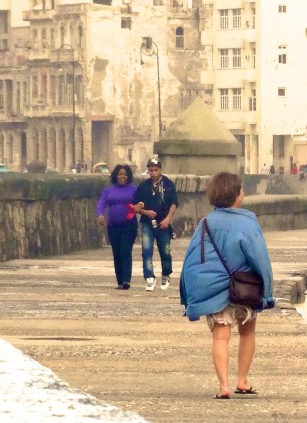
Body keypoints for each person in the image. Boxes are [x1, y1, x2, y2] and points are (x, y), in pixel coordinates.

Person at [179, 172, 275, 399]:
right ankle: (242, 380)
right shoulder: (247, 221)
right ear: (237, 194)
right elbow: (259, 257)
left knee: (220, 337)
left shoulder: (205, 223)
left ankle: (223, 386)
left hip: (214, 291)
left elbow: (191, 260)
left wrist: (189, 293)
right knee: (247, 332)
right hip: (244, 288)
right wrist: (268, 290)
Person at [134, 157, 179, 292]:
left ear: (160, 170)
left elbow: (174, 203)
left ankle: (166, 275)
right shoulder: (143, 186)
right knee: (146, 251)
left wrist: (168, 219)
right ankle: (149, 278)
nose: (153, 173)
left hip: (163, 223)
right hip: (147, 223)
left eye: (155, 170)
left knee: (164, 251)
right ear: (148, 171)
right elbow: (136, 207)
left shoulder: (168, 184)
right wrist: (145, 212)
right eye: (151, 170)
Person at [96, 164, 140, 290]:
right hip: (113, 226)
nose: (122, 176)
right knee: (117, 253)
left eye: (125, 174)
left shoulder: (134, 190)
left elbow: (141, 203)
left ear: (129, 176)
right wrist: (100, 215)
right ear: (116, 175)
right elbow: (101, 204)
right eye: (120, 174)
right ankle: (120, 281)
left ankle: (126, 280)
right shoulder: (108, 190)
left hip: (129, 226)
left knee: (125, 251)